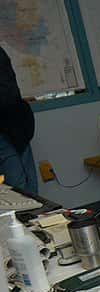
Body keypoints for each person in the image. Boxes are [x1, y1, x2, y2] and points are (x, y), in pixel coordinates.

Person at [0, 46, 37, 194]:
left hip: (9, 129)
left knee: (19, 188)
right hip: (11, 126)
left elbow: (7, 96)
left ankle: (33, 216)